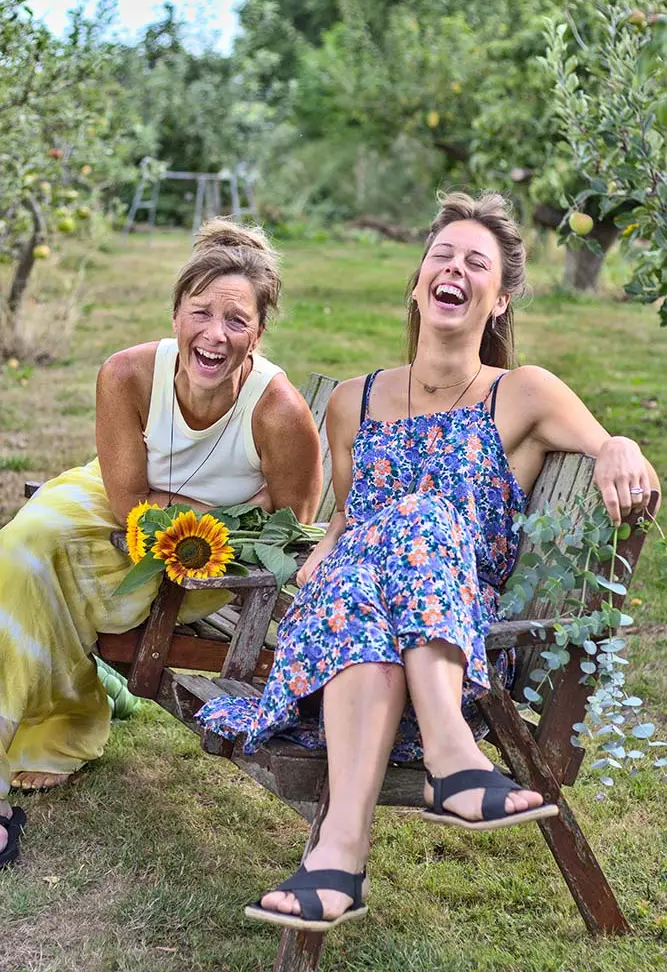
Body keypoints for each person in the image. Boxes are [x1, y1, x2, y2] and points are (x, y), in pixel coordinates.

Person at [196, 191, 661, 932]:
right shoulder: (352, 402)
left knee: (416, 516)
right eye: (440, 256)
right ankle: (445, 771)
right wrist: (320, 555)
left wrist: (624, 447)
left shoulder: (523, 394)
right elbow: (349, 519)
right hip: (340, 647)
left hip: (459, 649)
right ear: (417, 282)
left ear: (498, 298)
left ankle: (339, 858)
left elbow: (608, 446)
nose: (453, 269)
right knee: (368, 560)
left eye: (475, 263)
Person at [0, 218, 322, 869]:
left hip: (202, 563)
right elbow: (127, 505)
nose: (215, 334)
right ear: (175, 313)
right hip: (111, 504)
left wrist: (217, 522)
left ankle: (77, 710)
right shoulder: (127, 375)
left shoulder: (278, 413)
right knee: (23, 544)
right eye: (200, 312)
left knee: (41, 576)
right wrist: (224, 506)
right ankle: (55, 724)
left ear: (258, 332)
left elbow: (293, 526)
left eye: (236, 320)